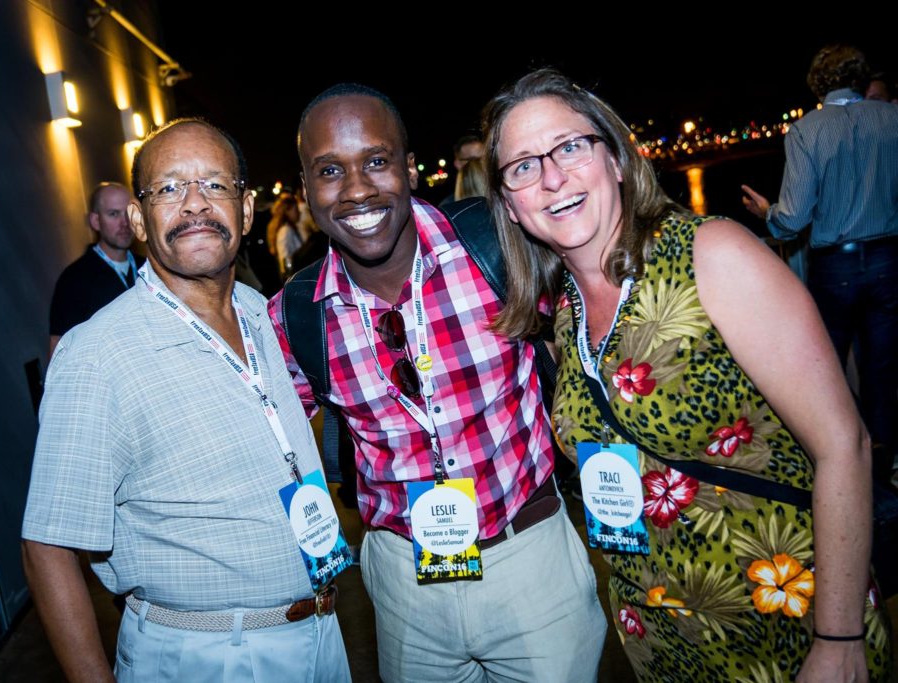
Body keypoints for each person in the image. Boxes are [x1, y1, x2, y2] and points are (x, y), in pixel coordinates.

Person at [484, 67, 892, 682]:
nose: (551, 178)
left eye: (569, 147)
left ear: (615, 159)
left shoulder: (712, 255)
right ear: (511, 207)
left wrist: (837, 637)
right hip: (662, 639)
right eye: (523, 166)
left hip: (782, 618)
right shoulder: (563, 313)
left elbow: (844, 444)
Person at [269, 84, 606, 682]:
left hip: (530, 562)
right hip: (403, 587)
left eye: (376, 161)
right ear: (306, 191)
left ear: (410, 168)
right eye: (329, 170)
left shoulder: (499, 246)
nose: (356, 189)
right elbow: (258, 434)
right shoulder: (295, 314)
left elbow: (603, 321)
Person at [22, 118, 351, 682]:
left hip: (322, 633)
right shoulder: (97, 353)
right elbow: (47, 551)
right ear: (138, 220)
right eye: (169, 188)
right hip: (209, 655)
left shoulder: (257, 310)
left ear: (246, 210)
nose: (195, 204)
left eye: (215, 185)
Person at [741, 44, 898, 485]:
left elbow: (791, 222)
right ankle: (884, 469)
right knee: (882, 369)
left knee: (825, 366)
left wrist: (765, 212)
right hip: (889, 260)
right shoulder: (891, 120)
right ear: (861, 77)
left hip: (835, 268)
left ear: (818, 84)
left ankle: (846, 458)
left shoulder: (807, 131)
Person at [49, 182, 140, 357]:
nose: (125, 223)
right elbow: (59, 348)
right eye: (113, 214)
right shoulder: (74, 280)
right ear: (95, 221)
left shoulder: (150, 267)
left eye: (128, 213)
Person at [266, 193, 306, 279]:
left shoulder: (291, 228)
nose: (299, 212)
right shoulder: (285, 231)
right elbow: (284, 258)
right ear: (287, 211)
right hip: (295, 277)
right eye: (296, 210)